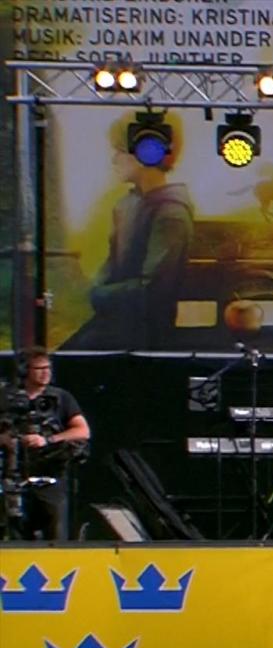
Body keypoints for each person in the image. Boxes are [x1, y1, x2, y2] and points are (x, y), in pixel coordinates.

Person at [65, 112, 194, 350]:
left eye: (119, 150)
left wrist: (99, 295)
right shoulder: (126, 205)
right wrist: (95, 289)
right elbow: (112, 264)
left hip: (144, 331)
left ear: (145, 154)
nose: (114, 159)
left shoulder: (170, 213)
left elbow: (154, 288)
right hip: (115, 320)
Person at [0, 348, 91, 541]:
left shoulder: (60, 398)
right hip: (13, 474)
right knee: (14, 531)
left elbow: (82, 431)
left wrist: (48, 440)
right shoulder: (6, 397)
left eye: (48, 368)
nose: (45, 373)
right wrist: (8, 439)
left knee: (55, 529)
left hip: (50, 473)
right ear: (25, 371)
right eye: (39, 368)